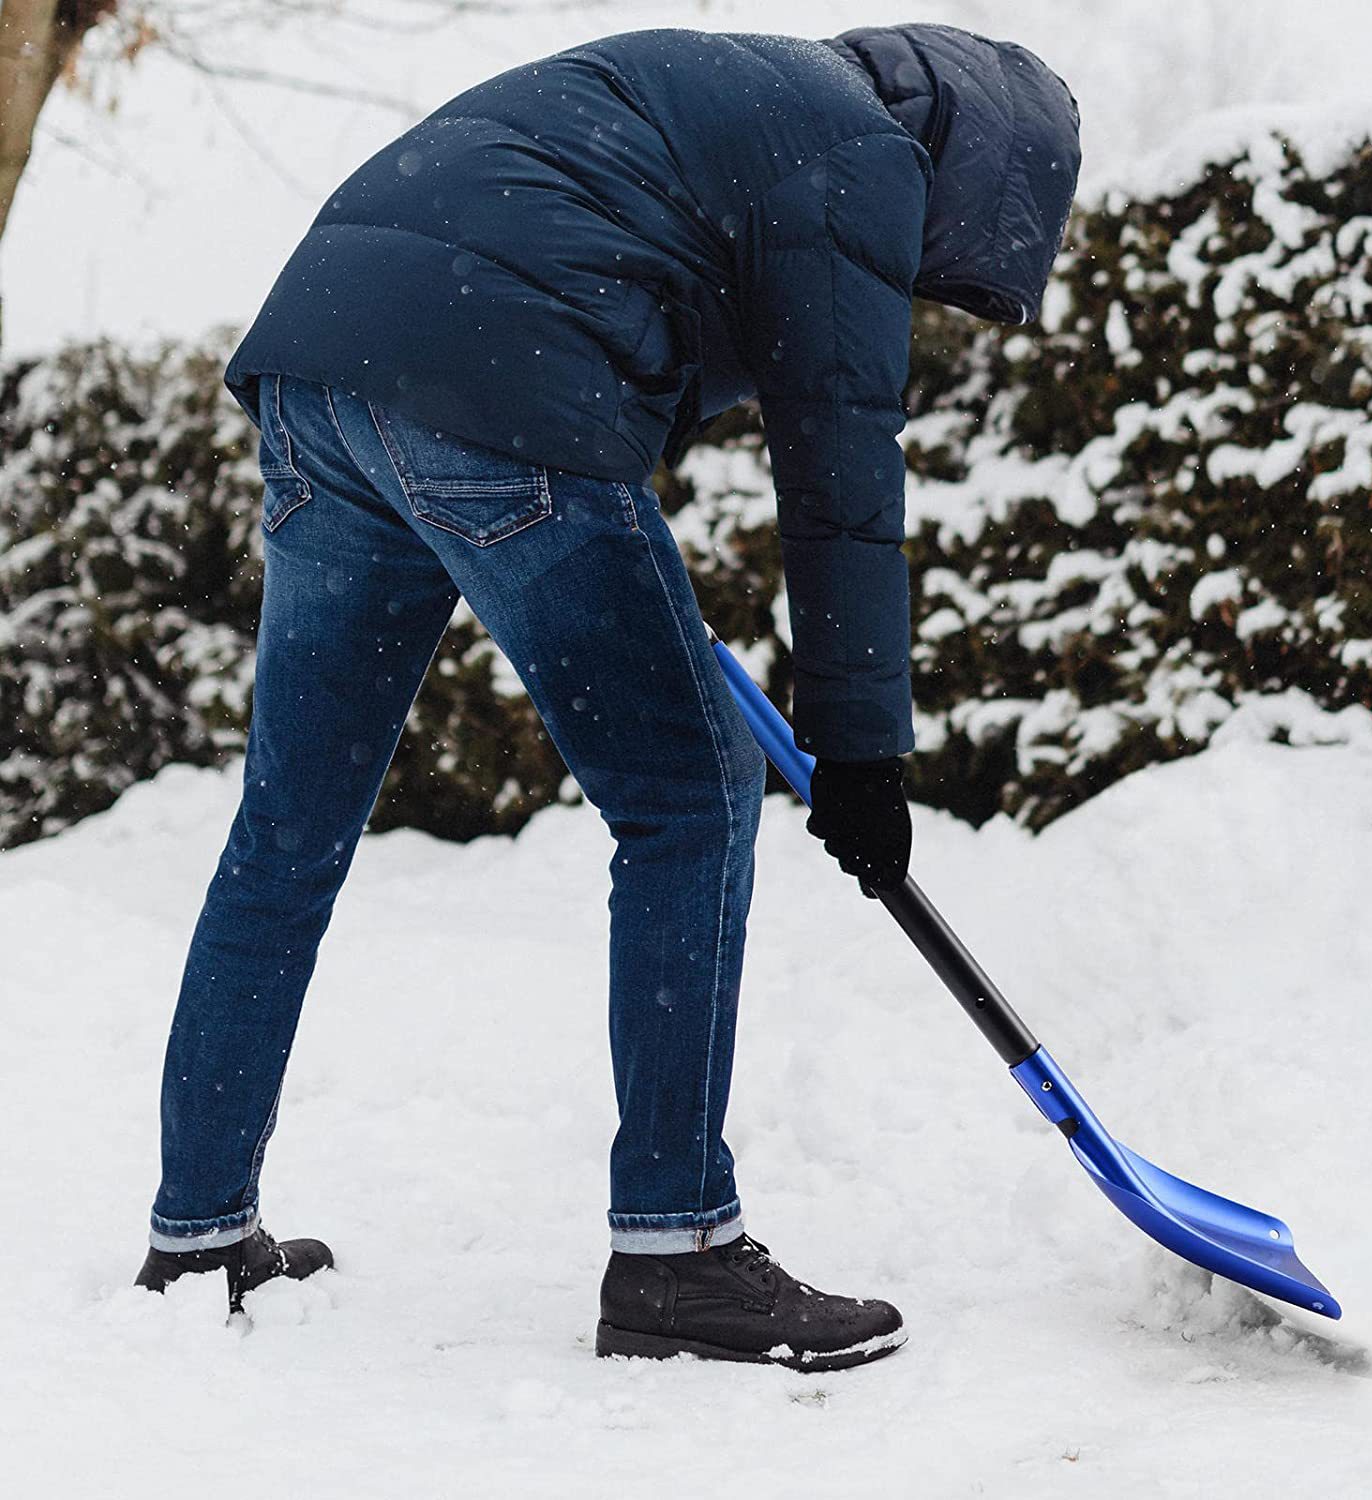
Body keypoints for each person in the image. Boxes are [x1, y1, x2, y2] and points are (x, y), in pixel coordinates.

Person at [133, 22, 1080, 1372]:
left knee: (287, 830)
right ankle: (677, 1256)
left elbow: (606, 284)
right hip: (494, 380)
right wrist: (864, 752)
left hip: (320, 373)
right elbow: (841, 479)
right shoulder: (865, 156)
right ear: (979, 168)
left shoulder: (739, 95)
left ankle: (197, 1231)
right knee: (692, 800)